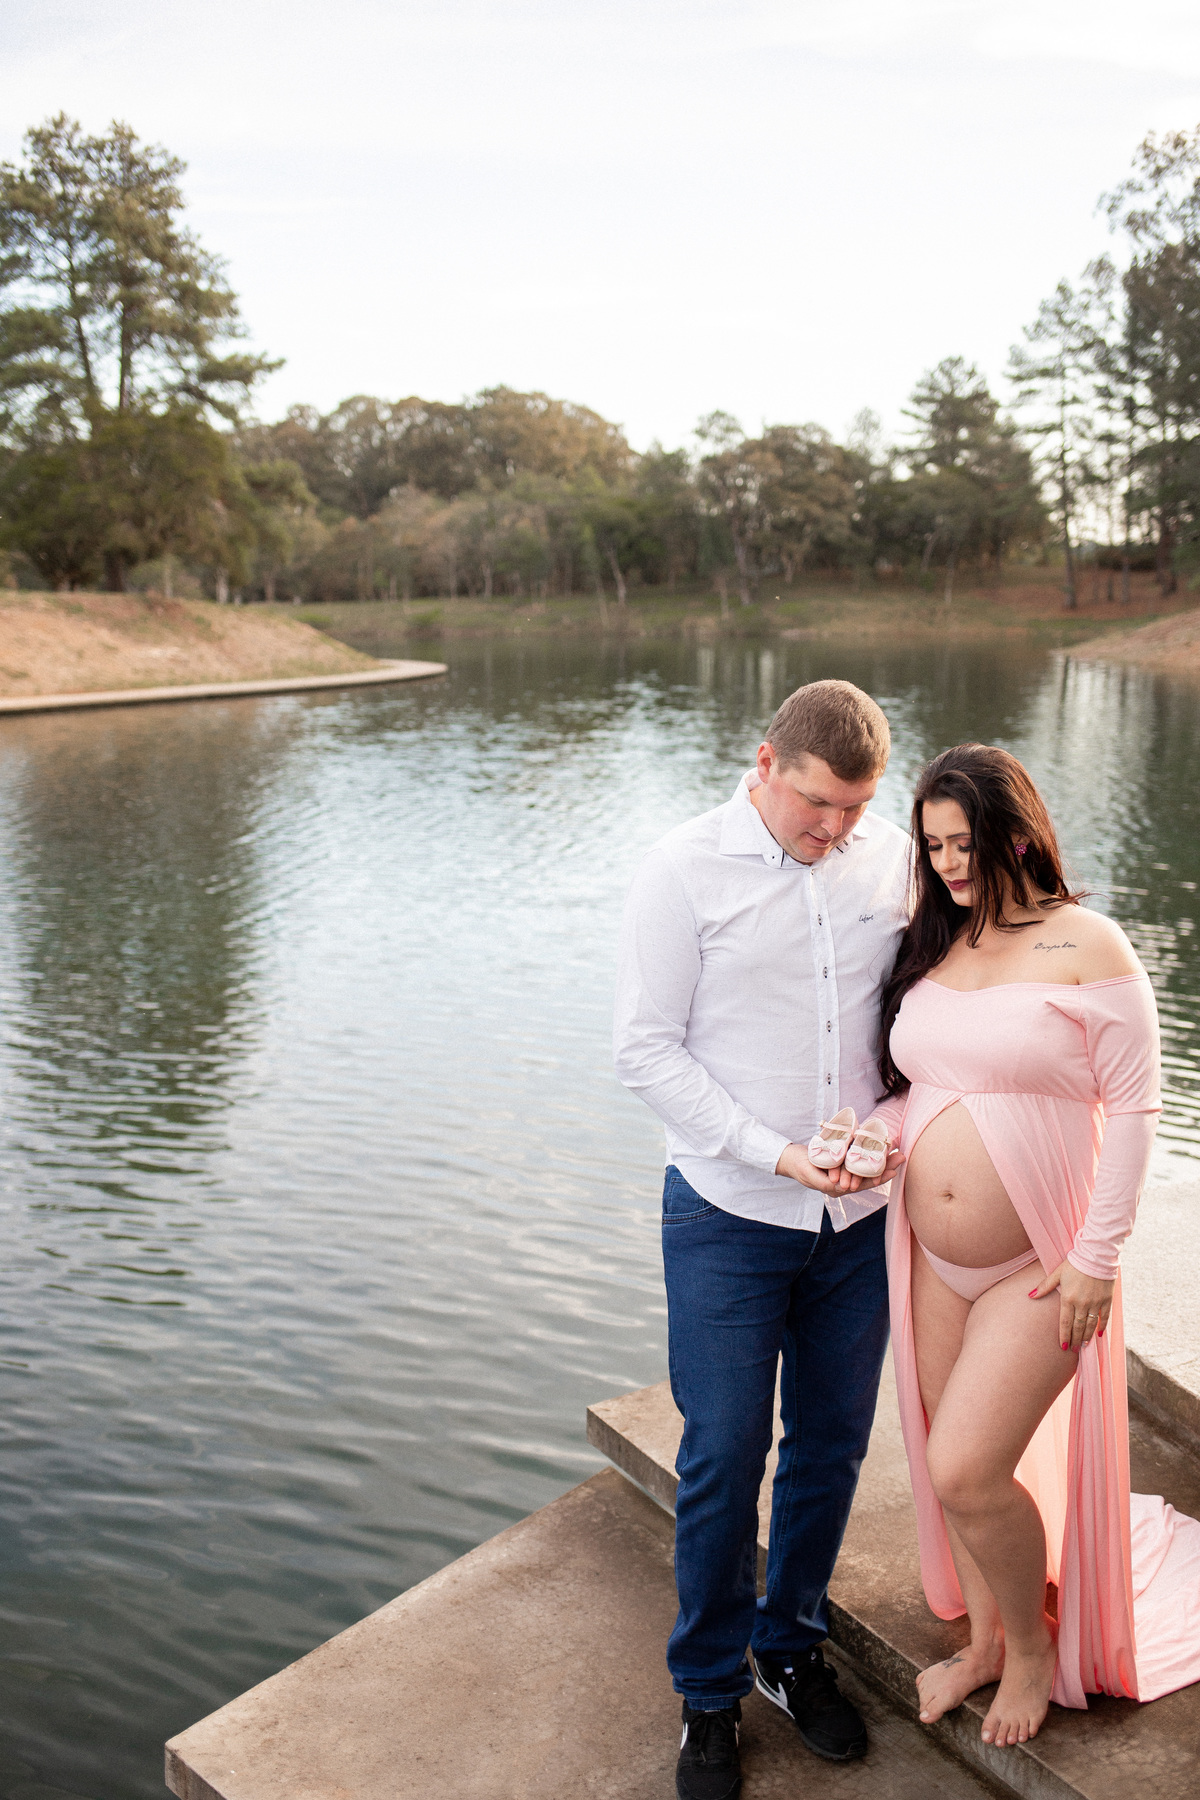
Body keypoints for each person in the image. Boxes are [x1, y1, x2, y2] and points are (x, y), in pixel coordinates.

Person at [614, 680, 907, 1800]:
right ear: (766, 762)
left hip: (857, 1223)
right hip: (726, 1215)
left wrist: (887, 1129)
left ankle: (789, 1650)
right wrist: (774, 1154)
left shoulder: (891, 859)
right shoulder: (681, 869)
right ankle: (708, 1694)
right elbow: (645, 1050)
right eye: (817, 804)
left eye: (854, 808)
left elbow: (912, 1021)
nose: (835, 829)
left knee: (831, 1446)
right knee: (726, 1454)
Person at [878, 742, 1200, 1751]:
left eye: (962, 844)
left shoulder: (1087, 944)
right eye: (932, 846)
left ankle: (1030, 1651)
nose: (946, 864)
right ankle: (982, 1642)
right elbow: (920, 1084)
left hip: (1039, 1261)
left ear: (1016, 837)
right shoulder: (940, 940)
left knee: (968, 1468)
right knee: (941, 1456)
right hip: (932, 1258)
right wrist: (869, 1142)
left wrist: (1098, 1256)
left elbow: (1137, 1108)